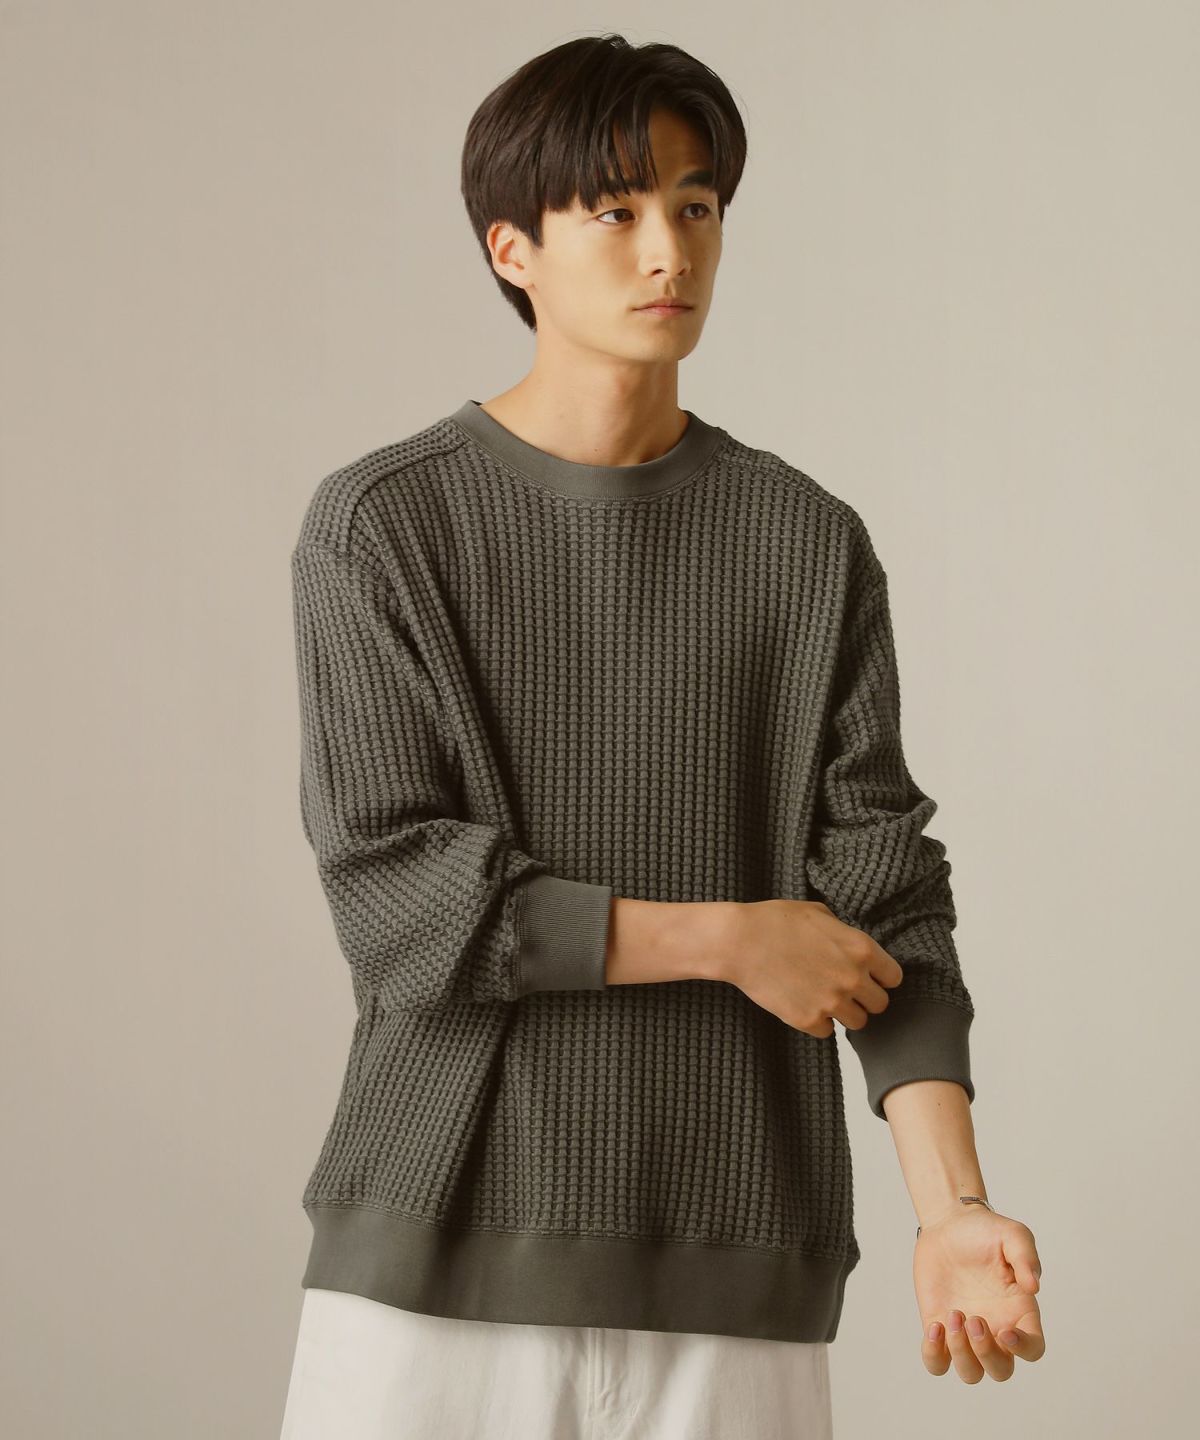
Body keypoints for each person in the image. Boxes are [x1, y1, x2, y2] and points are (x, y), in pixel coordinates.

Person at [279, 31, 1045, 1439]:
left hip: (734, 1267)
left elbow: (887, 898)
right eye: (615, 209)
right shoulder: (385, 525)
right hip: (435, 1267)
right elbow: (398, 902)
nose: (667, 251)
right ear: (512, 248)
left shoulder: (806, 541)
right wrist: (732, 938)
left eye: (696, 206)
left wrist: (954, 1208)